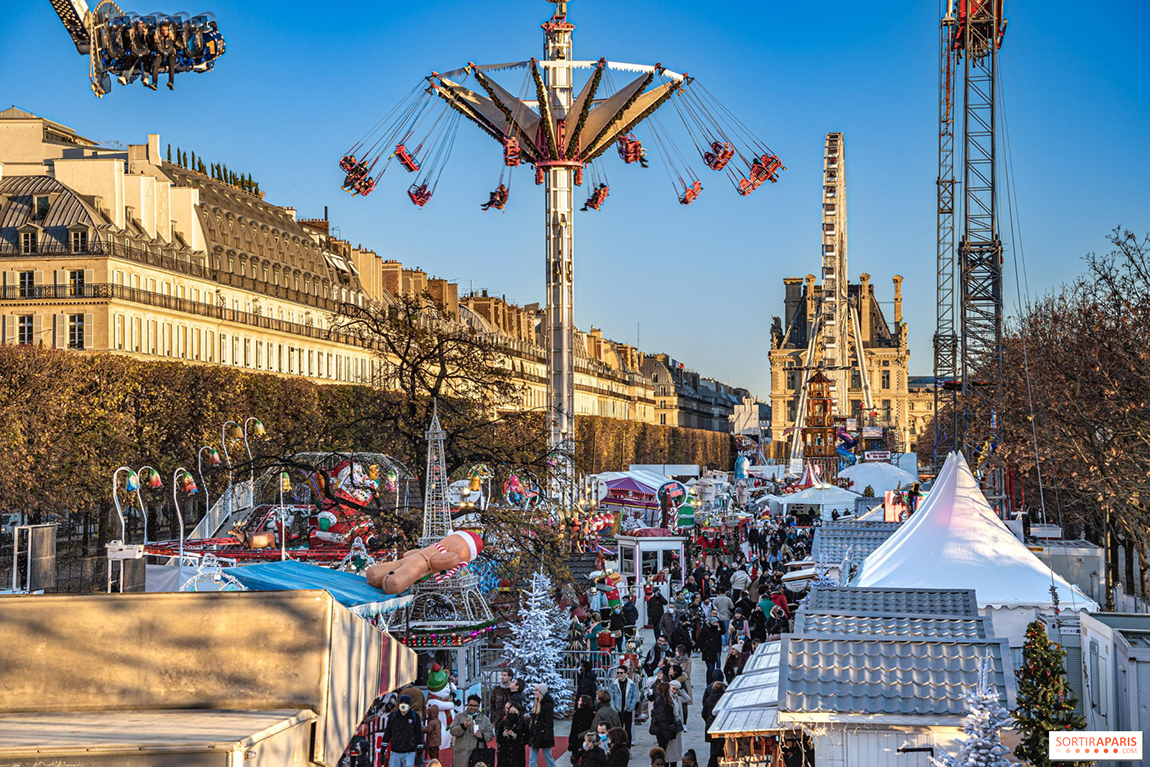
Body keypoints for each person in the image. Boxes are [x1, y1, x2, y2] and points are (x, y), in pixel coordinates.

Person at [450, 695, 495, 767]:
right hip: (461, 755)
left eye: (475, 706)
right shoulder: (459, 717)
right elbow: (452, 731)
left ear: (479, 706)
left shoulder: (484, 719)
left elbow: (491, 735)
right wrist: (463, 726)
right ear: (467, 705)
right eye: (471, 705)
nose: (473, 707)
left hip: (477, 755)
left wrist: (482, 736)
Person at [382, 694, 423, 767]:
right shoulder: (393, 716)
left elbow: (419, 733)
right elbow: (388, 732)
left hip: (409, 753)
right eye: (402, 704)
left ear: (409, 705)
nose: (403, 706)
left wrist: (419, 753)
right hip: (395, 752)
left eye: (406, 704)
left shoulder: (414, 716)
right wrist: (383, 750)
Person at [527, 683, 557, 767]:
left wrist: (546, 734)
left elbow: (549, 722)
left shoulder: (547, 705)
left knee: (548, 757)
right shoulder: (537, 703)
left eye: (536, 690)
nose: (534, 692)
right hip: (536, 734)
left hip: (543, 734)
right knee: (532, 758)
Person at [608, 665, 639, 740]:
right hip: (617, 709)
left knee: (628, 729)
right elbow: (611, 697)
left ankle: (628, 745)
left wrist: (631, 707)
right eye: (618, 673)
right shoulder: (614, 684)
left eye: (621, 673)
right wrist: (614, 708)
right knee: (618, 729)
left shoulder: (631, 684)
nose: (619, 675)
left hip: (627, 709)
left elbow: (635, 696)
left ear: (626, 674)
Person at [150, 19, 179, 91]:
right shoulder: (159, 37)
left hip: (170, 53)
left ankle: (171, 82)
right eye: (163, 30)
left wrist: (174, 40)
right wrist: (155, 41)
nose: (164, 32)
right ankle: (154, 82)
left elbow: (180, 46)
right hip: (160, 53)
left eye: (166, 30)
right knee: (156, 63)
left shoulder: (173, 36)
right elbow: (152, 48)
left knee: (171, 63)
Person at [497, 702, 529, 767]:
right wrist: (503, 735)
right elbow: (499, 739)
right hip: (504, 754)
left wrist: (515, 736)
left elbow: (526, 739)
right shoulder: (503, 723)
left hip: (518, 755)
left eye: (514, 713)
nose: (512, 715)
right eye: (511, 712)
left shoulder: (523, 724)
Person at [671, 646, 693, 724]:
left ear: (681, 652)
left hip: (684, 682)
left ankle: (684, 722)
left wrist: (679, 672)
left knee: (684, 703)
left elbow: (687, 672)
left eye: (677, 651)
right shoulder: (674, 660)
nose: (675, 652)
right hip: (675, 683)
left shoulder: (688, 660)